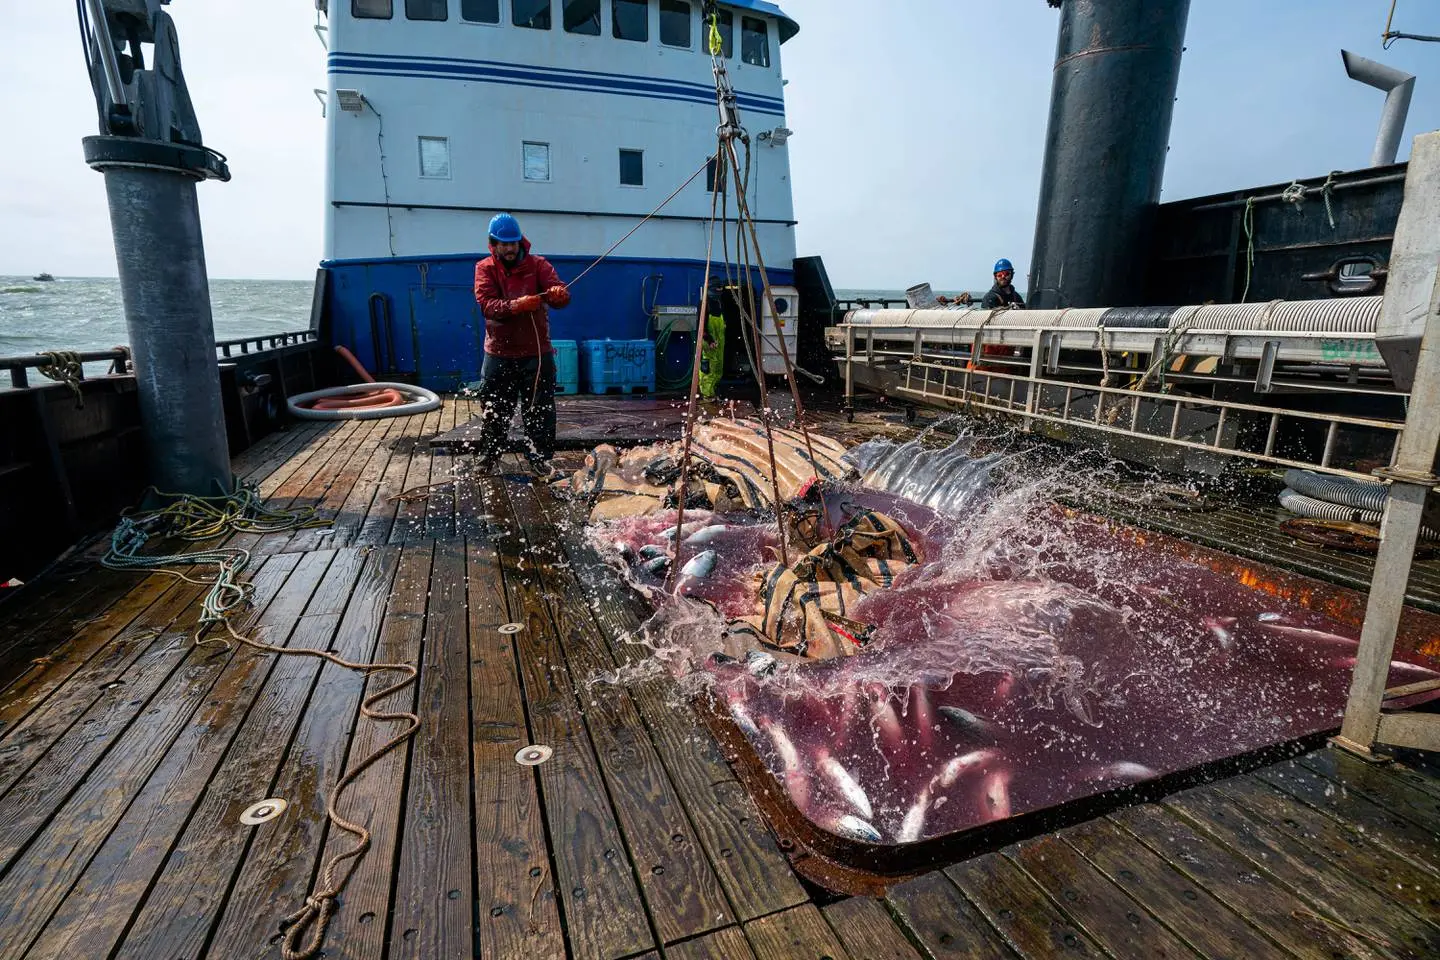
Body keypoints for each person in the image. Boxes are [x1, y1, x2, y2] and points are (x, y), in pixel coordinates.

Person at [472, 213, 571, 475]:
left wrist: (559, 294)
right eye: (503, 244)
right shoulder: (484, 268)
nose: (508, 248)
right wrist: (517, 306)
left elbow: (560, 295)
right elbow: (487, 305)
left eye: (512, 243)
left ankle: (540, 457)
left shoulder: (539, 265)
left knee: (540, 409)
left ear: (520, 242)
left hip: (536, 353)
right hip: (498, 353)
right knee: (494, 408)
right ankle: (488, 456)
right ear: (493, 244)